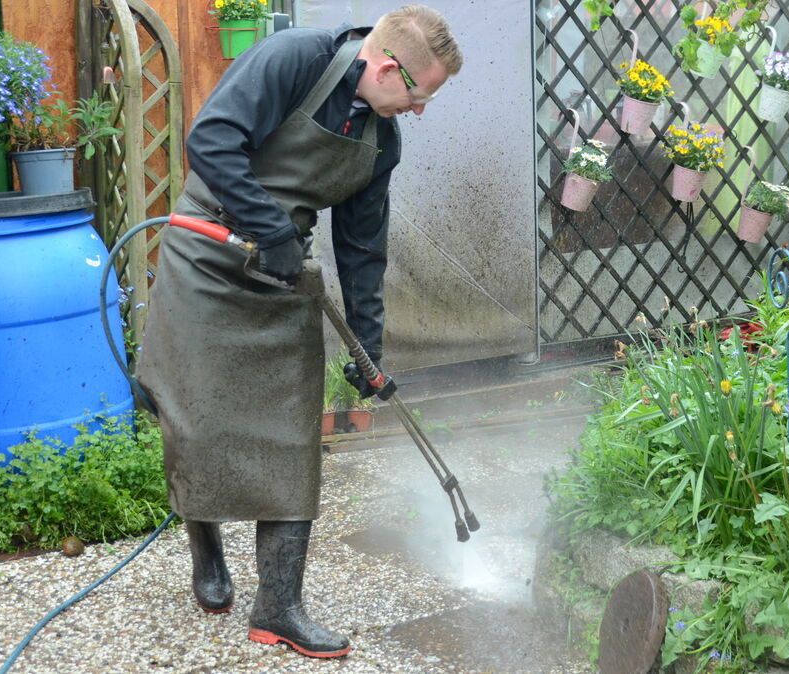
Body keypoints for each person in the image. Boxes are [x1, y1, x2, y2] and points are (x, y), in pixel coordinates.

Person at [135, 4, 463, 660]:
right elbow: (212, 139)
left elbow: (363, 250)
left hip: (283, 279)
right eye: (418, 93)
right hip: (206, 254)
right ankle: (206, 551)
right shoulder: (295, 59)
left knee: (290, 436)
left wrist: (367, 349)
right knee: (196, 420)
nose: (419, 110)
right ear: (389, 65)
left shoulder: (381, 141)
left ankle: (278, 605)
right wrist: (273, 229)